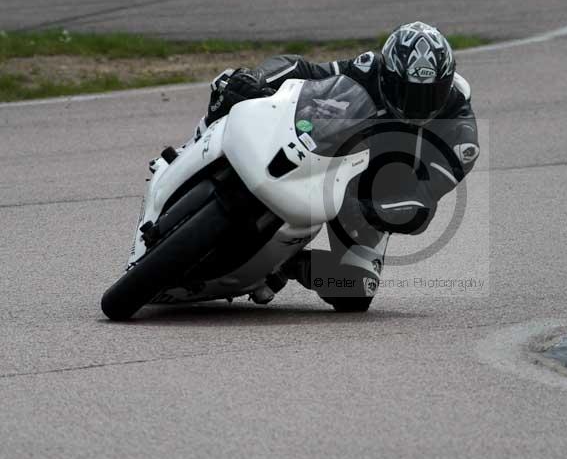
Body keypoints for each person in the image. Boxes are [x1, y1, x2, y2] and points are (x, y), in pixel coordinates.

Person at [196, 21, 479, 311]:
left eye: (429, 94)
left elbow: (422, 201)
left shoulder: (460, 135)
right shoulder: (369, 69)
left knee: (355, 290)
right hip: (332, 153)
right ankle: (194, 149)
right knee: (235, 89)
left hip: (374, 195)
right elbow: (305, 71)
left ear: (447, 83)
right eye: (406, 91)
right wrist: (258, 78)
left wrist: (371, 209)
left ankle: (285, 265)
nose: (417, 106)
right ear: (388, 74)